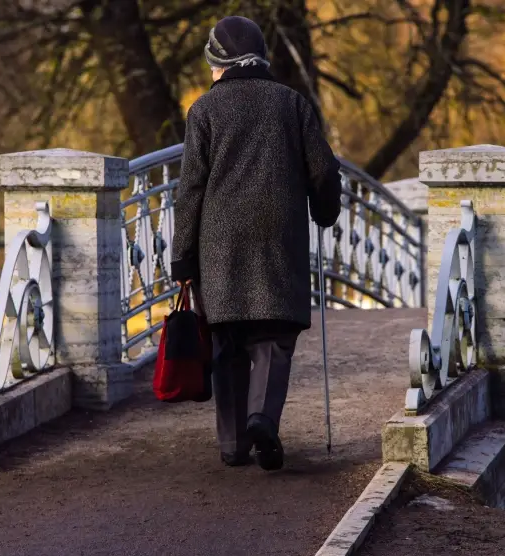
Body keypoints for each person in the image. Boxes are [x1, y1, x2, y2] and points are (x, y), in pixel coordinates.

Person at [170, 15, 342, 471]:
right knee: (273, 338)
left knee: (227, 342)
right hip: (277, 241)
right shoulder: (292, 105)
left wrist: (182, 257)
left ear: (221, 63)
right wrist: (325, 211)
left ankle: (232, 445)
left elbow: (191, 190)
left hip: (220, 246)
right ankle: (262, 418)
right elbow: (324, 170)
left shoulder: (204, 111)